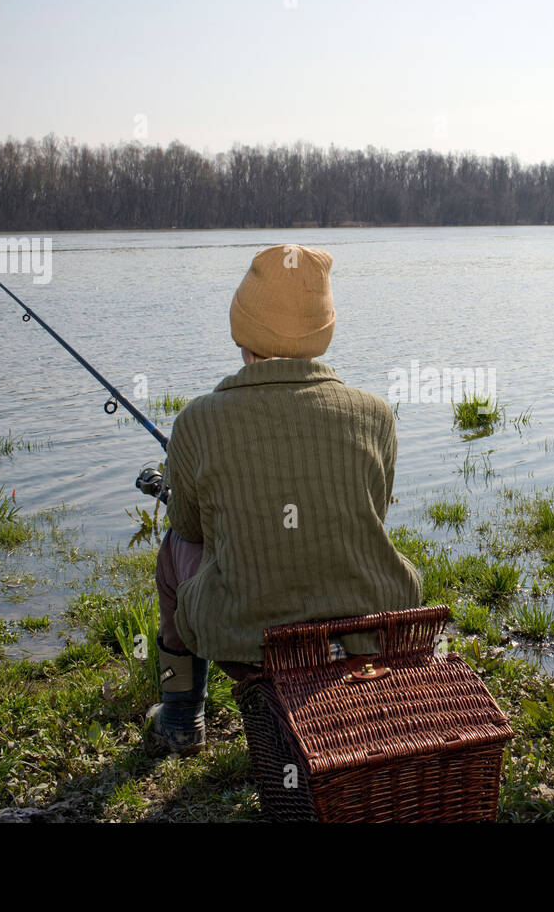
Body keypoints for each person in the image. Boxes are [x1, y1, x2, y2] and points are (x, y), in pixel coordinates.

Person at [146, 243, 422, 756]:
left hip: (249, 635)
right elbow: (375, 514)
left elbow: (188, 525)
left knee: (171, 554)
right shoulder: (377, 413)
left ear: (243, 328)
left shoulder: (198, 419)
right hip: (371, 623)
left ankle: (182, 714)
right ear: (324, 328)